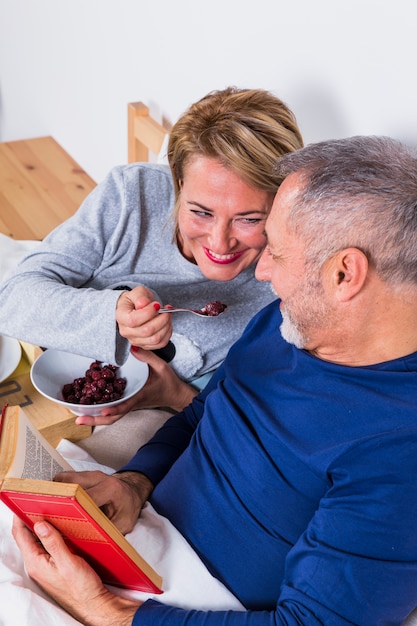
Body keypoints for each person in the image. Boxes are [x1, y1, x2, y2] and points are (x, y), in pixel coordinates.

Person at [14, 134, 417, 625]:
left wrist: (105, 610)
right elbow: (209, 410)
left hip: (187, 600)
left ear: (344, 274)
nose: (261, 271)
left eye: (279, 252)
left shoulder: (398, 450)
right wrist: (136, 484)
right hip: (140, 533)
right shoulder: (289, 324)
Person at [0, 87, 303, 423]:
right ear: (176, 183)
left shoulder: (286, 287)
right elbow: (13, 299)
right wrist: (114, 314)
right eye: (201, 212)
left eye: (249, 219)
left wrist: (176, 397)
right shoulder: (133, 196)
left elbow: (265, 432)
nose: (220, 242)